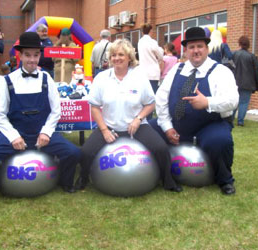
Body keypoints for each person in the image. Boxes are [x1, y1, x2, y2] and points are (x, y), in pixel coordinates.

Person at [0, 32, 81, 204]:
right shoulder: (7, 80)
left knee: (74, 152)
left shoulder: (47, 78)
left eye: (36, 55)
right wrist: (13, 136)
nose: (32, 60)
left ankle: (64, 182)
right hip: (17, 134)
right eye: (28, 55)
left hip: (42, 134)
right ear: (20, 55)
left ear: (40, 55)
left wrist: (47, 132)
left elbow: (56, 111)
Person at [74, 39, 182, 193]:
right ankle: (83, 180)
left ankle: (168, 182)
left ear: (129, 57)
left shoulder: (139, 77)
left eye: (121, 55)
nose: (116, 58)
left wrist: (138, 119)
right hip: (110, 126)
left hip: (137, 126)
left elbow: (151, 103)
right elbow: (95, 107)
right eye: (113, 55)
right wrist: (104, 130)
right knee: (85, 152)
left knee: (161, 148)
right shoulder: (102, 78)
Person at [149, 27, 239, 195]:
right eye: (191, 47)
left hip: (210, 124)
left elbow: (233, 100)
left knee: (220, 141)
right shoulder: (176, 70)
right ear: (186, 50)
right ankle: (155, 171)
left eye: (199, 46)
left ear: (206, 48)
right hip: (177, 124)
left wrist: (207, 102)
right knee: (146, 130)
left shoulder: (221, 72)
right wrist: (167, 127)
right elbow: (161, 98)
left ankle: (224, 179)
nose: (196, 51)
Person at [232, 36, 258, 126]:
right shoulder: (252, 57)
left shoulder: (234, 54)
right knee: (244, 102)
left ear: (239, 43)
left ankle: (230, 119)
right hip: (248, 83)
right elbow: (256, 72)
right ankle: (240, 121)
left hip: (235, 82)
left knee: (234, 102)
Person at [138, 23, 163, 95]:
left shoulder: (140, 42)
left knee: (143, 95)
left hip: (142, 72)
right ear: (151, 31)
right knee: (152, 95)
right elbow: (160, 56)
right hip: (153, 73)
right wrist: (161, 50)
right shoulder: (153, 42)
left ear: (142, 32)